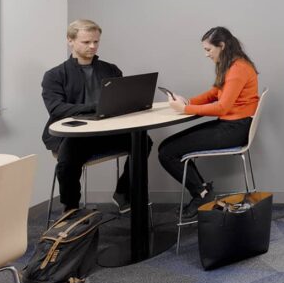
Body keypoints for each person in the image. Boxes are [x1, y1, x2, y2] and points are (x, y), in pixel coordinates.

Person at [42, 19, 149, 214]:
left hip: (106, 132)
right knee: (66, 161)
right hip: (75, 135)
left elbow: (121, 101)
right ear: (70, 41)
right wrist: (95, 107)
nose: (92, 46)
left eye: (96, 42)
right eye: (86, 42)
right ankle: (71, 208)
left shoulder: (111, 70)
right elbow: (56, 109)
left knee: (143, 141)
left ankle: (123, 192)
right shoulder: (54, 75)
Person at [158, 26, 259, 219]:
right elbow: (214, 93)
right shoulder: (230, 64)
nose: (206, 54)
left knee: (167, 152)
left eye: (208, 49)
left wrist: (185, 109)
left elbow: (222, 107)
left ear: (221, 46)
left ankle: (201, 195)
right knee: (166, 148)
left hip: (234, 129)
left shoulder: (238, 69)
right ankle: (202, 192)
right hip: (231, 125)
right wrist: (188, 101)